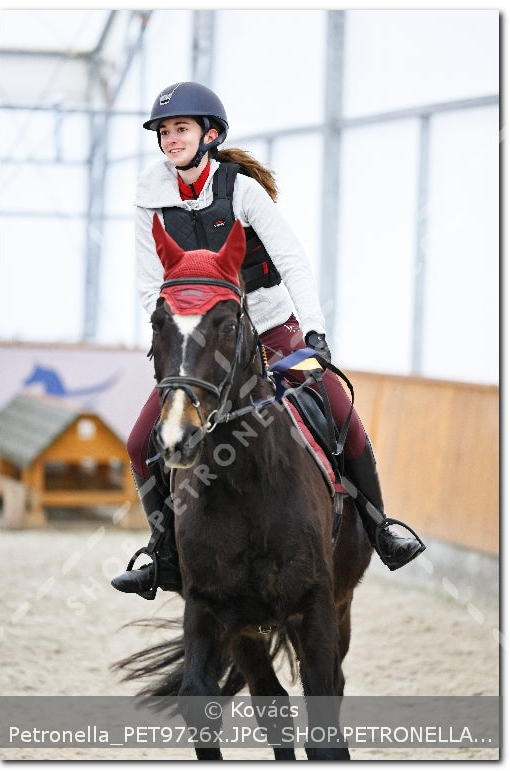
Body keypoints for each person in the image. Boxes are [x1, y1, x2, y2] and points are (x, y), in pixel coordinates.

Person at [111, 81, 425, 599]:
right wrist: (181, 335)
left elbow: (293, 260)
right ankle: (163, 554)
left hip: (272, 327)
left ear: (210, 134)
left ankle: (380, 528)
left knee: (341, 410)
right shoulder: (150, 194)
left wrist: (316, 329)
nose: (170, 139)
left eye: (181, 129)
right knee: (141, 439)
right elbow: (151, 285)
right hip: (202, 345)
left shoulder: (243, 190)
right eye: (164, 131)